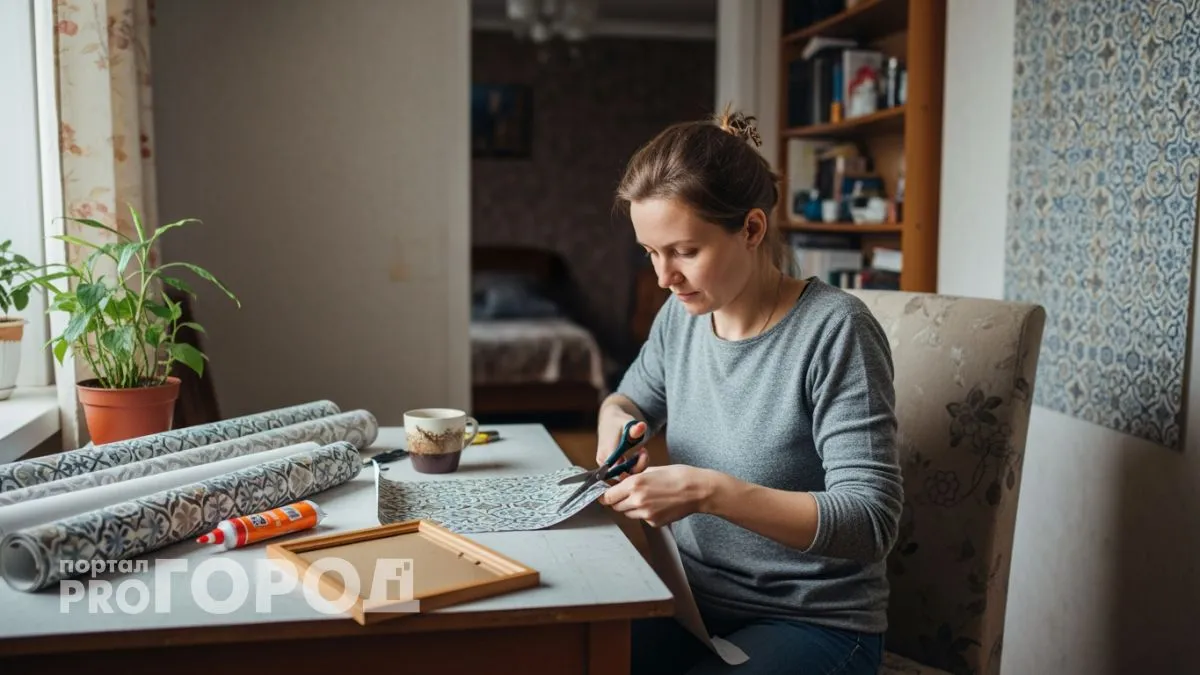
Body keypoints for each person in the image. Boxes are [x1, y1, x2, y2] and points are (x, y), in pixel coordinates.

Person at [594, 106, 903, 675]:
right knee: (567, 653)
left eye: (684, 251)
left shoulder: (837, 330)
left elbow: (871, 522)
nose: (664, 277)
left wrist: (710, 493)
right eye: (650, 253)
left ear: (752, 229)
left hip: (817, 623)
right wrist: (615, 430)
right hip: (691, 604)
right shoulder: (680, 317)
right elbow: (626, 400)